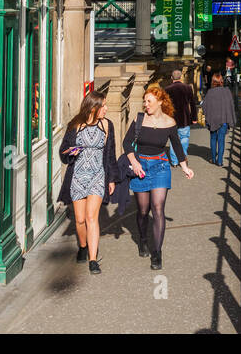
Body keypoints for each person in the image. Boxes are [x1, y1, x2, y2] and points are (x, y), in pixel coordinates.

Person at [126, 84, 193, 270]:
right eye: (145, 101)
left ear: (160, 102)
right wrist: (135, 161)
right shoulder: (139, 119)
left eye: (149, 101)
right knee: (142, 210)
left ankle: (157, 252)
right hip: (141, 167)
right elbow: (127, 143)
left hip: (161, 166)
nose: (146, 104)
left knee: (158, 208)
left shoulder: (170, 122)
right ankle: (143, 239)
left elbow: (177, 147)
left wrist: (185, 167)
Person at [58, 90, 116, 273]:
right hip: (77, 176)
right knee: (80, 220)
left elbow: (111, 154)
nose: (106, 109)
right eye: (103, 105)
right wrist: (71, 151)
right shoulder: (75, 125)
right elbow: (63, 152)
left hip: (97, 176)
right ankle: (82, 246)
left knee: (92, 217)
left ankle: (93, 259)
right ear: (93, 107)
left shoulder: (107, 126)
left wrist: (111, 179)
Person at [200, 73, 236, 166]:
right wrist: (231, 118)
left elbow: (204, 106)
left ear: (213, 81)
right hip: (224, 119)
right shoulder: (227, 91)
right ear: (221, 81)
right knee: (221, 140)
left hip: (212, 120)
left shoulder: (210, 92)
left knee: (213, 139)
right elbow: (231, 105)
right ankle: (220, 161)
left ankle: (213, 158)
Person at [165, 69, 199, 166]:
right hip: (184, 118)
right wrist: (194, 118)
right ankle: (182, 158)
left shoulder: (167, 89)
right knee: (184, 138)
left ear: (172, 78)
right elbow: (192, 104)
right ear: (181, 77)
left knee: (173, 140)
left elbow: (165, 106)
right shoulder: (187, 88)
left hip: (172, 119)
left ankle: (174, 161)